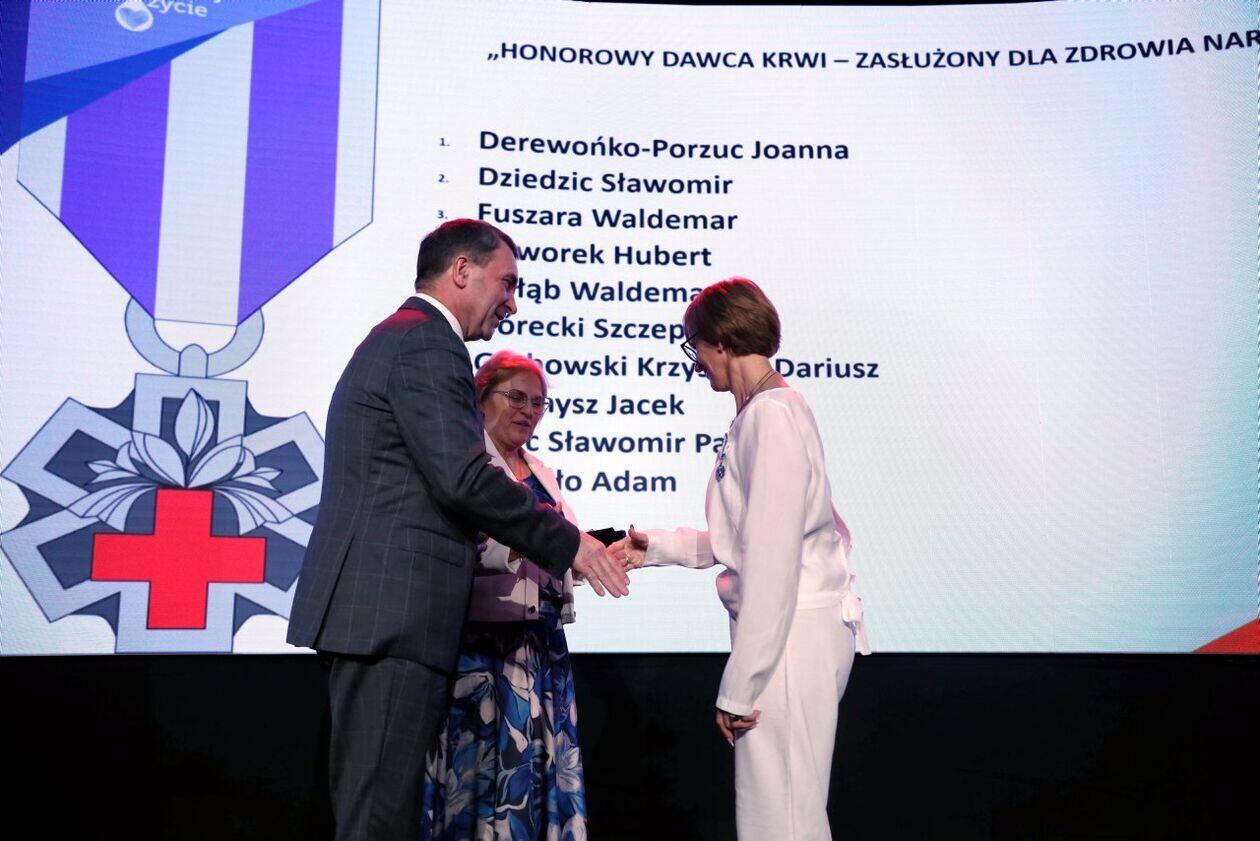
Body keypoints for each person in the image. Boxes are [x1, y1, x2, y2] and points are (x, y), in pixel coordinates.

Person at [286, 219, 628, 841]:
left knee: (379, 813)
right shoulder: (426, 342)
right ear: (462, 271)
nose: (513, 303)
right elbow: (464, 479)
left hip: (386, 615)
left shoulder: (404, 338)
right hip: (391, 614)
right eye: (507, 283)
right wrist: (569, 545)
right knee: (377, 819)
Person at [611, 278, 869, 841]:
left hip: (789, 637)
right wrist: (657, 547)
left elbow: (773, 561)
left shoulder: (772, 417)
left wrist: (740, 684)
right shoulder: (763, 413)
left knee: (783, 819)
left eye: (696, 346)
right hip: (788, 632)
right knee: (782, 813)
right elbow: (751, 538)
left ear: (722, 340)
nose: (697, 361)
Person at [421, 351, 587, 839]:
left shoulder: (541, 471)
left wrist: (591, 553)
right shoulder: (467, 469)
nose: (528, 411)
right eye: (515, 397)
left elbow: (561, 543)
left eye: (537, 403)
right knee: (481, 775)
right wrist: (533, 547)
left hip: (540, 650)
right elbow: (458, 546)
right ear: (481, 397)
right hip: (483, 649)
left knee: (537, 772)